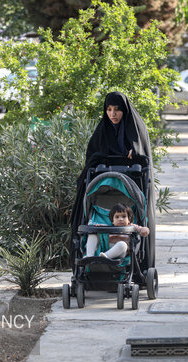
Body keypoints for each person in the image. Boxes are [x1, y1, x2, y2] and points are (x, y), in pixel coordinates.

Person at [70, 92, 156, 269]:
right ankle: (89, 260)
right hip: (104, 185)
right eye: (109, 110)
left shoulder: (136, 130)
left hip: (132, 185)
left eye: (117, 110)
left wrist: (135, 154)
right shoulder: (102, 130)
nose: (112, 114)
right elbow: (92, 157)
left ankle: (135, 266)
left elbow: (142, 153)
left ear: (124, 111)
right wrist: (102, 158)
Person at [85, 203, 149, 259]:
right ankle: (89, 256)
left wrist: (143, 230)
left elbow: (142, 230)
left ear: (129, 219)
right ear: (112, 220)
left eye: (123, 217)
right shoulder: (110, 227)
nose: (120, 219)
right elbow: (103, 227)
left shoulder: (132, 226)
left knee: (122, 244)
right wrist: (98, 226)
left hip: (122, 251)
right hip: (108, 248)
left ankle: (105, 257)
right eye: (117, 217)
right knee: (93, 234)